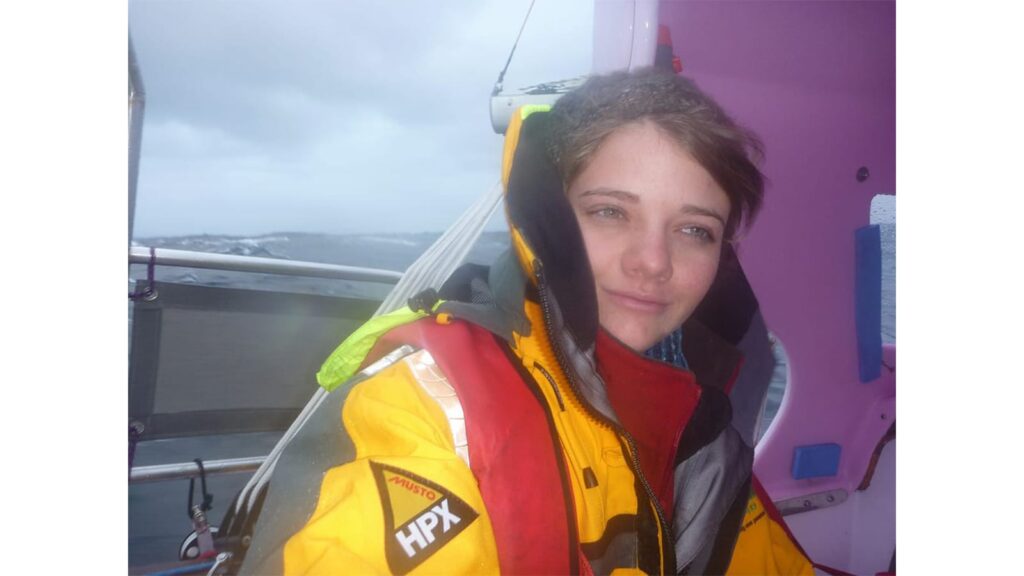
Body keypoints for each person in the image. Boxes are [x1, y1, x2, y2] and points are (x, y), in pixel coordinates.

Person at [240, 68, 814, 575]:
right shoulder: (426, 407)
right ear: (549, 220)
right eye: (610, 212)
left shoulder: (699, 421)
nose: (653, 262)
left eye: (695, 230)